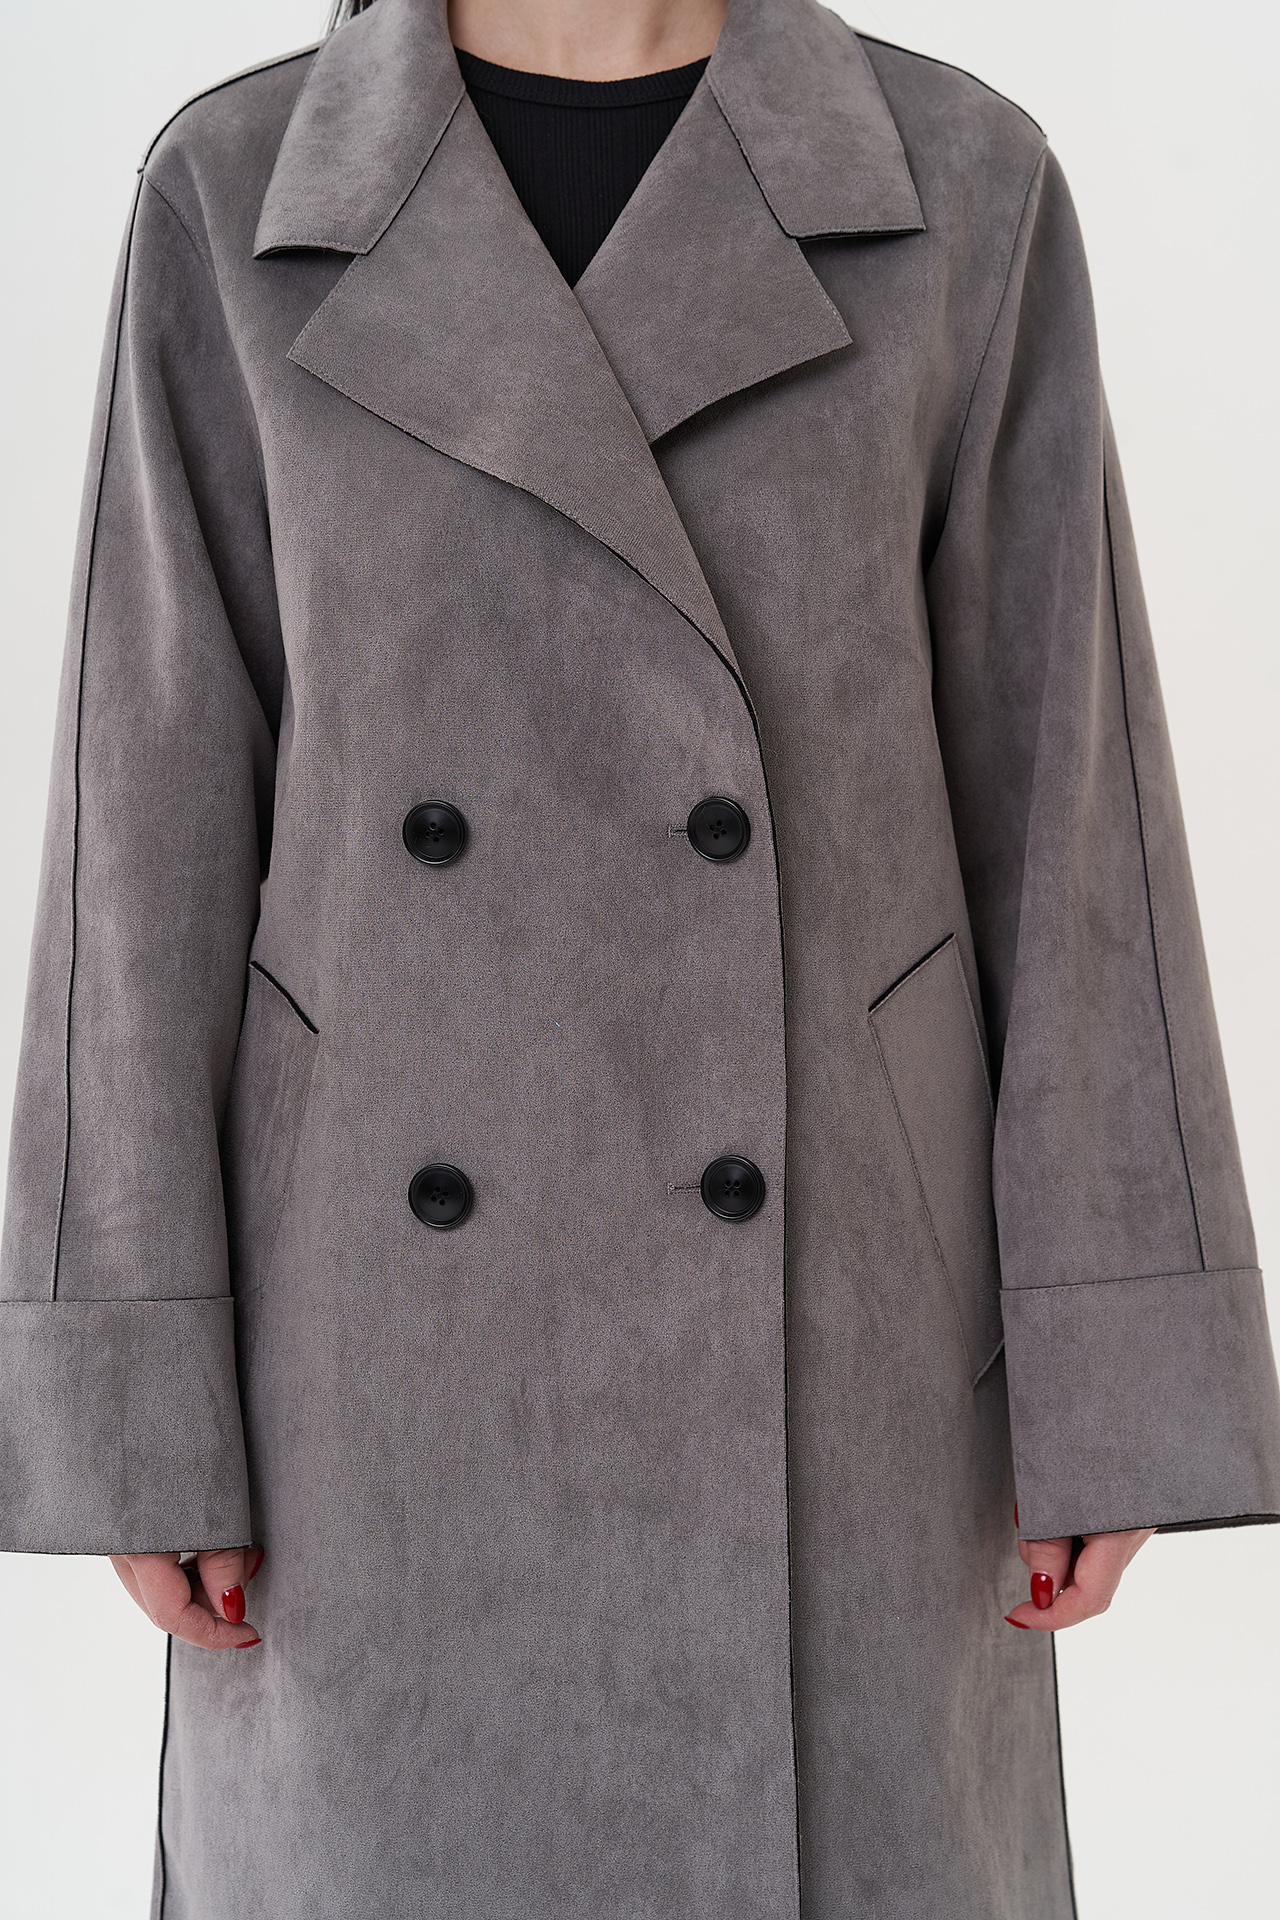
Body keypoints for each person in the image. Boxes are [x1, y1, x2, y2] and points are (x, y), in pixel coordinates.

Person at [2, 0, 1277, 1912]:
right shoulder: (241, 198)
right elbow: (145, 820)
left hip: (847, 1374)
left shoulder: (957, 191)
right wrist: (131, 1397)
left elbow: (1068, 806)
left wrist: (1118, 1374)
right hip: (365, 1393)